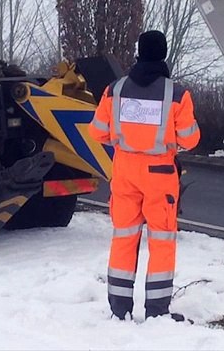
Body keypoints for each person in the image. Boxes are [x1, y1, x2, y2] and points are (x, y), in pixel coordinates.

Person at [89, 30, 200, 321]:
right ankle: (157, 310)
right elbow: (190, 139)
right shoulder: (176, 93)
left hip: (124, 171)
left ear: (139, 52)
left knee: (124, 237)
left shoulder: (116, 89)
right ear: (163, 54)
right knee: (162, 240)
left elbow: (97, 130)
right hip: (160, 174)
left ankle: (119, 308)